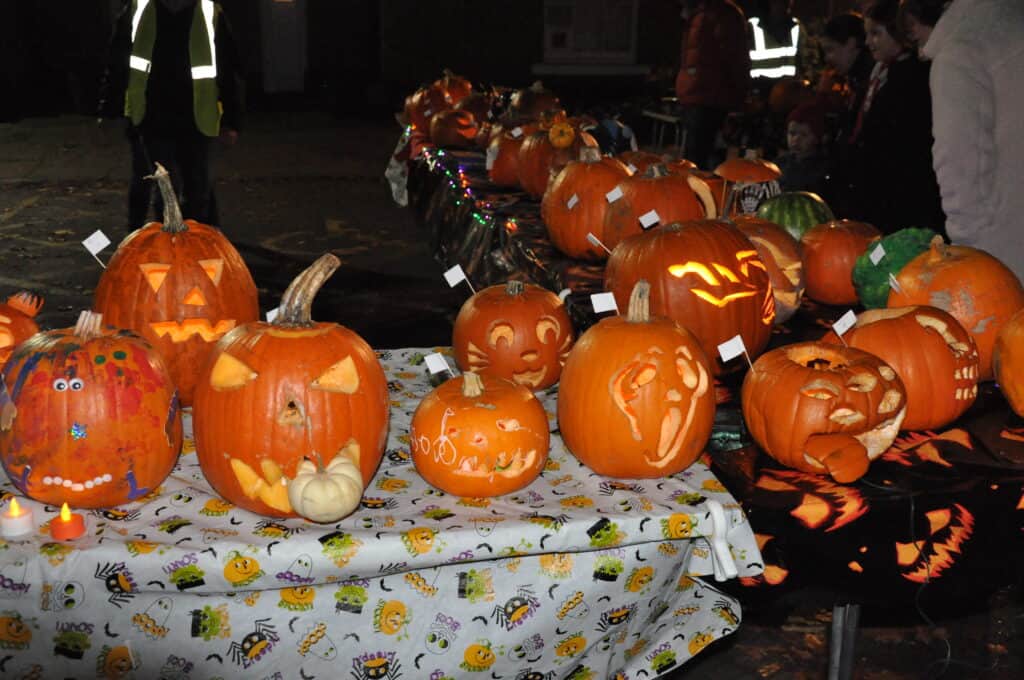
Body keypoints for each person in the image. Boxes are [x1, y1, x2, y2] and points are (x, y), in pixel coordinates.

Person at [901, 0, 1024, 281]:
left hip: (1005, 248)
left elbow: (959, 163)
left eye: (910, 28)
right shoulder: (1013, 22)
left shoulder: (961, 53)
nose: (913, 39)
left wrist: (967, 255)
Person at [98, 0, 243, 229]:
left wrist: (231, 120)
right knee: (167, 188)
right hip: (153, 117)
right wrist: (109, 110)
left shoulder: (209, 12)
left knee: (197, 189)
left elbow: (227, 68)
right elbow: (118, 63)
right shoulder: (139, 9)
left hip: (196, 119)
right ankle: (169, 246)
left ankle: (197, 244)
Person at [838, 0, 944, 235]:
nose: (868, 42)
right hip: (876, 191)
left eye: (876, 33)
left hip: (901, 196)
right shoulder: (876, 75)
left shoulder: (913, 78)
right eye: (867, 34)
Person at [674, 0, 751, 170]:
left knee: (703, 158)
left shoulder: (720, 15)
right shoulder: (700, 13)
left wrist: (740, 95)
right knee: (695, 157)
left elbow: (735, 58)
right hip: (697, 95)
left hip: (711, 97)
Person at [775, 102, 828, 194]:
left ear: (816, 138)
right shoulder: (780, 163)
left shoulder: (823, 169)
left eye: (804, 135)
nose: (796, 139)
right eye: (792, 133)